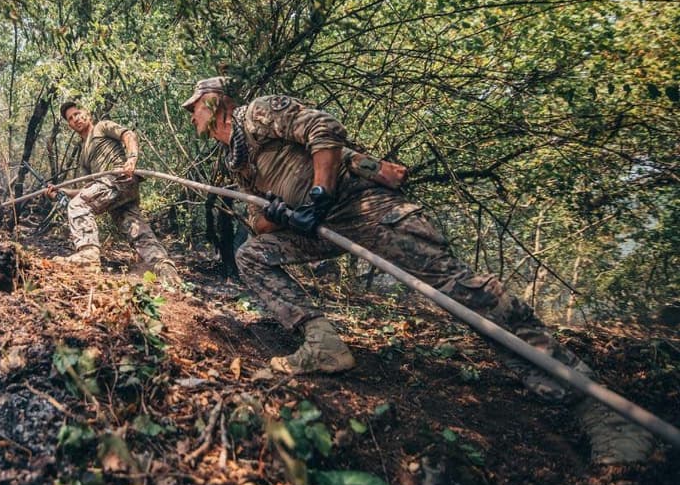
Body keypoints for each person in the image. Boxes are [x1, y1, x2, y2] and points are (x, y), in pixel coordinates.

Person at [182, 76, 654, 463]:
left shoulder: (259, 112)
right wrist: (280, 215)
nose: (191, 116)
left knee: (459, 290)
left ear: (213, 102)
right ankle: (322, 344)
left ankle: (598, 406)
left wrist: (319, 196)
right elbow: (259, 220)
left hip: (362, 207)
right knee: (251, 255)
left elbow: (324, 130)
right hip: (318, 226)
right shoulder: (236, 158)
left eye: (194, 107)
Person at [46, 101, 181, 286]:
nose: (75, 119)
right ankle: (165, 269)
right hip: (113, 193)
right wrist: (62, 192)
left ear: (87, 113)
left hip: (118, 178)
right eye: (70, 118)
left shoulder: (102, 127)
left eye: (77, 113)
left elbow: (128, 134)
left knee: (78, 204)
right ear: (69, 125)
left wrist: (132, 159)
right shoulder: (83, 155)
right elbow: (89, 190)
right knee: (137, 231)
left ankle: (88, 256)